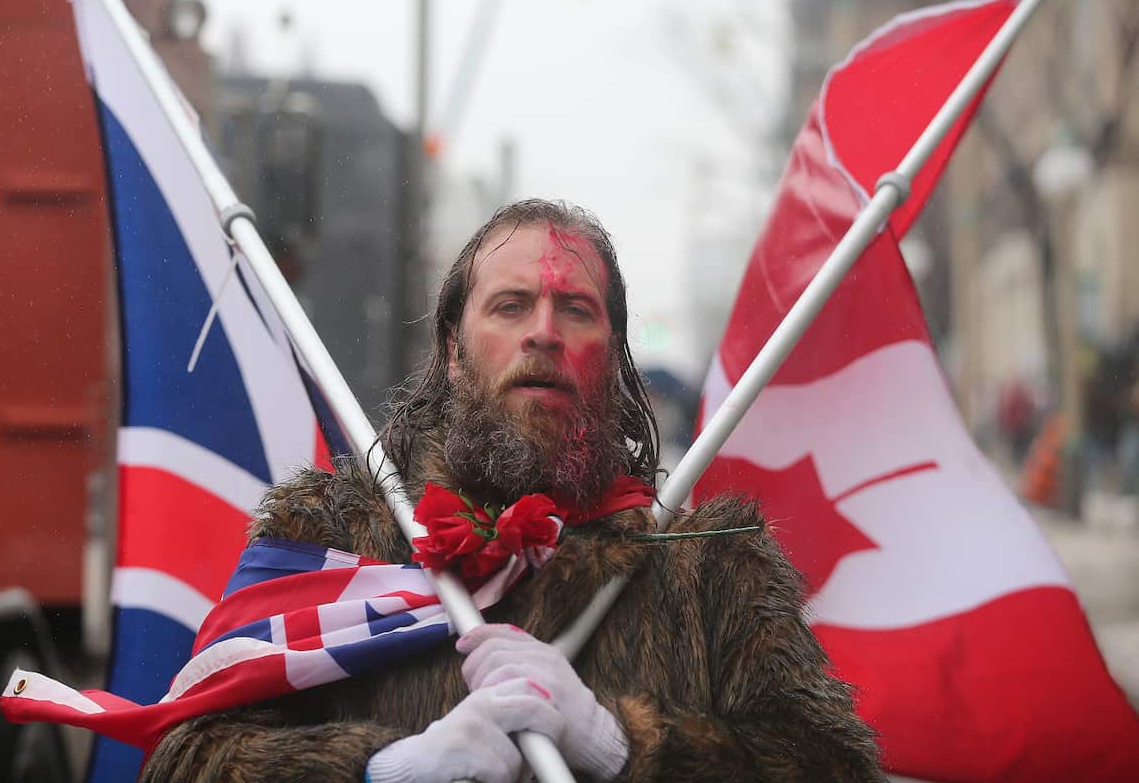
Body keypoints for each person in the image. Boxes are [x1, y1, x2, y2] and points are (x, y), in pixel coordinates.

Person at [141, 199, 884, 782]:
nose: (543, 333)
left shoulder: (712, 568)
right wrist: (386, 767)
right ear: (453, 353)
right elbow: (184, 758)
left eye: (576, 310)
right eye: (509, 305)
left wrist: (620, 740)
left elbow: (834, 767)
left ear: (612, 361)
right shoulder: (331, 534)